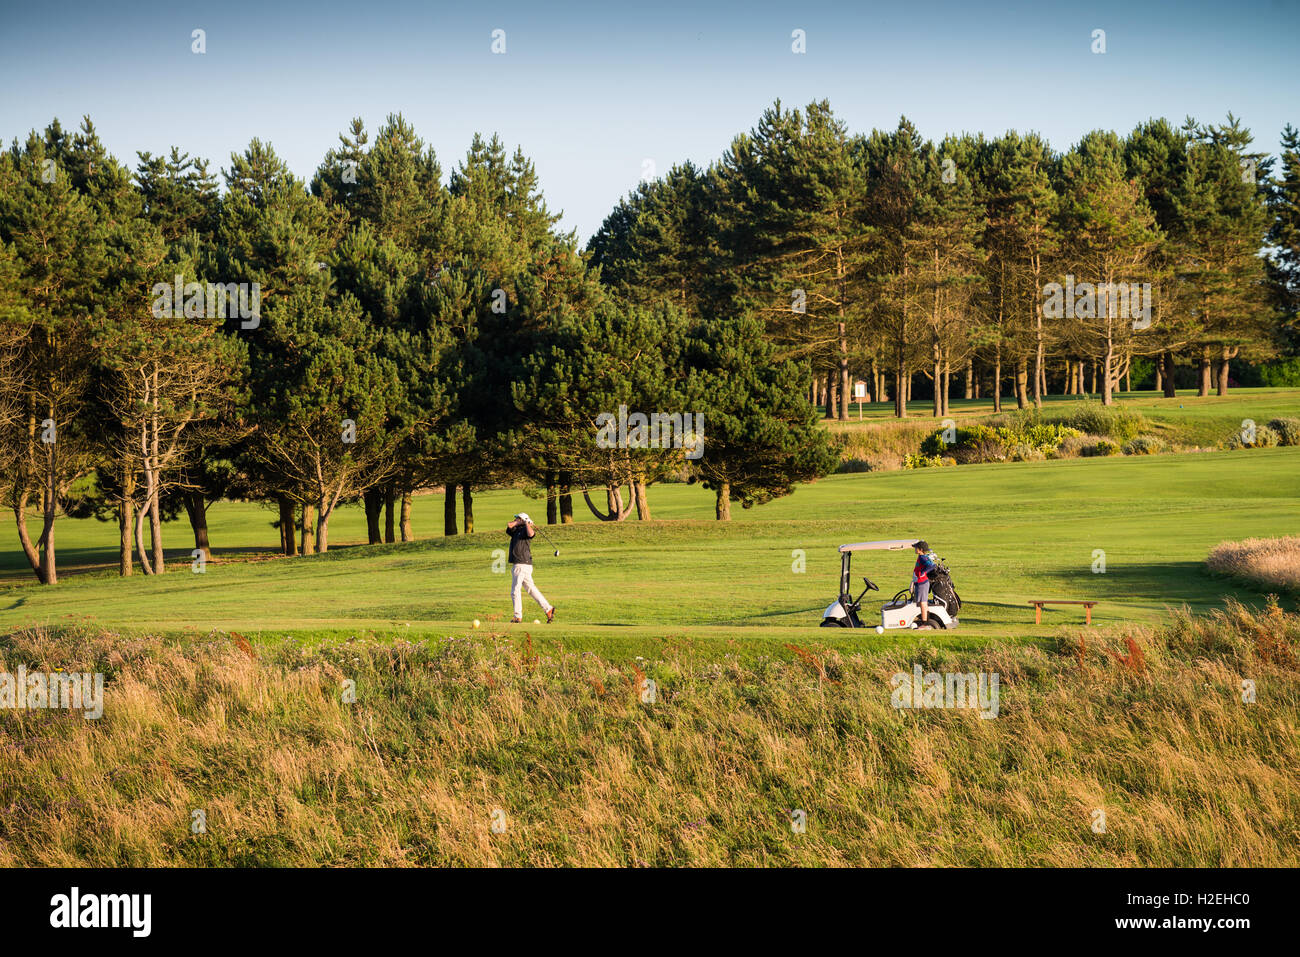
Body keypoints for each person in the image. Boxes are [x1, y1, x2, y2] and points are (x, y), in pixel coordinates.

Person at [506, 512, 555, 624]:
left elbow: (531, 534)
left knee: (515, 591)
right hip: (520, 564)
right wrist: (520, 521)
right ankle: (548, 609)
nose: (515, 520)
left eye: (517, 518)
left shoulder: (525, 530)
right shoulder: (515, 530)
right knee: (531, 589)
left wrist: (527, 523)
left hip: (522, 564)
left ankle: (517, 616)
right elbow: (509, 525)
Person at [911, 540, 937, 628]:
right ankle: (927, 621)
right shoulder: (921, 556)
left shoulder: (922, 558)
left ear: (920, 549)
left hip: (922, 583)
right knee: (923, 603)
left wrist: (923, 572)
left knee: (922, 603)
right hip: (920, 582)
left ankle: (924, 624)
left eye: (916, 548)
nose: (914, 549)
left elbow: (932, 565)